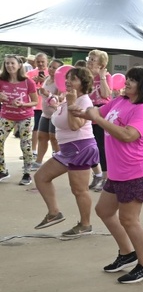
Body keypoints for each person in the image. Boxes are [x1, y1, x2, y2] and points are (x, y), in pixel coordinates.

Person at [73, 67, 143, 284]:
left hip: (137, 171)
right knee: (104, 210)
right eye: (128, 78)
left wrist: (97, 119)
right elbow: (97, 114)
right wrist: (79, 112)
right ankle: (126, 253)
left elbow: (128, 135)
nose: (128, 82)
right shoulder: (121, 101)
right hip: (118, 171)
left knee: (129, 219)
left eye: (133, 80)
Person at [33, 66, 100, 236]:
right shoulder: (68, 98)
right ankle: (54, 213)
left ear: (83, 83)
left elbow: (75, 125)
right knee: (41, 177)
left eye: (74, 79)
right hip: (69, 148)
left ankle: (85, 225)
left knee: (79, 189)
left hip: (81, 147)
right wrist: (60, 103)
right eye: (67, 78)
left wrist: (70, 103)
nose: (68, 81)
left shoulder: (83, 101)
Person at [1, 54, 39, 185]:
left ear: (19, 65)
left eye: (12, 63)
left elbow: (35, 101)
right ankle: (2, 170)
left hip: (25, 117)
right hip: (6, 116)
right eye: (7, 63)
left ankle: (27, 173)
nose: (9, 66)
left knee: (25, 144)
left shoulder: (28, 82)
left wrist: (23, 104)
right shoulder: (1, 80)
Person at [85, 50, 113, 192]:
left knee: (102, 148)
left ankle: (106, 178)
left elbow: (106, 95)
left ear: (101, 64)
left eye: (93, 60)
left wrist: (101, 77)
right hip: (88, 112)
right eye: (89, 59)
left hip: (101, 113)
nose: (89, 62)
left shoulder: (106, 76)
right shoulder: (87, 77)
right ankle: (97, 174)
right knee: (90, 147)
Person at [33, 58, 62, 169]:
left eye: (54, 68)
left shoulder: (60, 82)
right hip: (45, 113)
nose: (51, 69)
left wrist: (48, 93)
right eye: (50, 66)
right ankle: (38, 161)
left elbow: (61, 98)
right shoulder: (46, 79)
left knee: (54, 139)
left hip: (55, 113)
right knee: (41, 137)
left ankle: (60, 161)